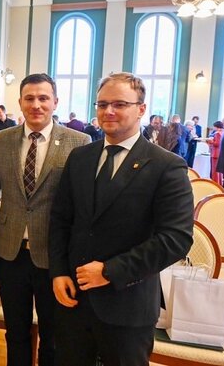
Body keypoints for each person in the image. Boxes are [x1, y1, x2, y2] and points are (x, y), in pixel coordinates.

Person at [49, 72, 194, 366]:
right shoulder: (80, 157)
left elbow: (176, 239)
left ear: (141, 109)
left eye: (119, 104)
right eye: (102, 104)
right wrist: (59, 271)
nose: (109, 111)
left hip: (127, 303)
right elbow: (61, 219)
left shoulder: (166, 166)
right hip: (74, 300)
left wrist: (110, 271)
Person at [0, 73, 90, 366]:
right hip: (10, 254)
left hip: (55, 258)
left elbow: (83, 206)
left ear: (55, 102)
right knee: (16, 332)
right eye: (30, 98)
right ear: (20, 102)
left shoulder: (79, 142)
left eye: (43, 98)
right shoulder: (0, 140)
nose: (36, 104)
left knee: (53, 336)